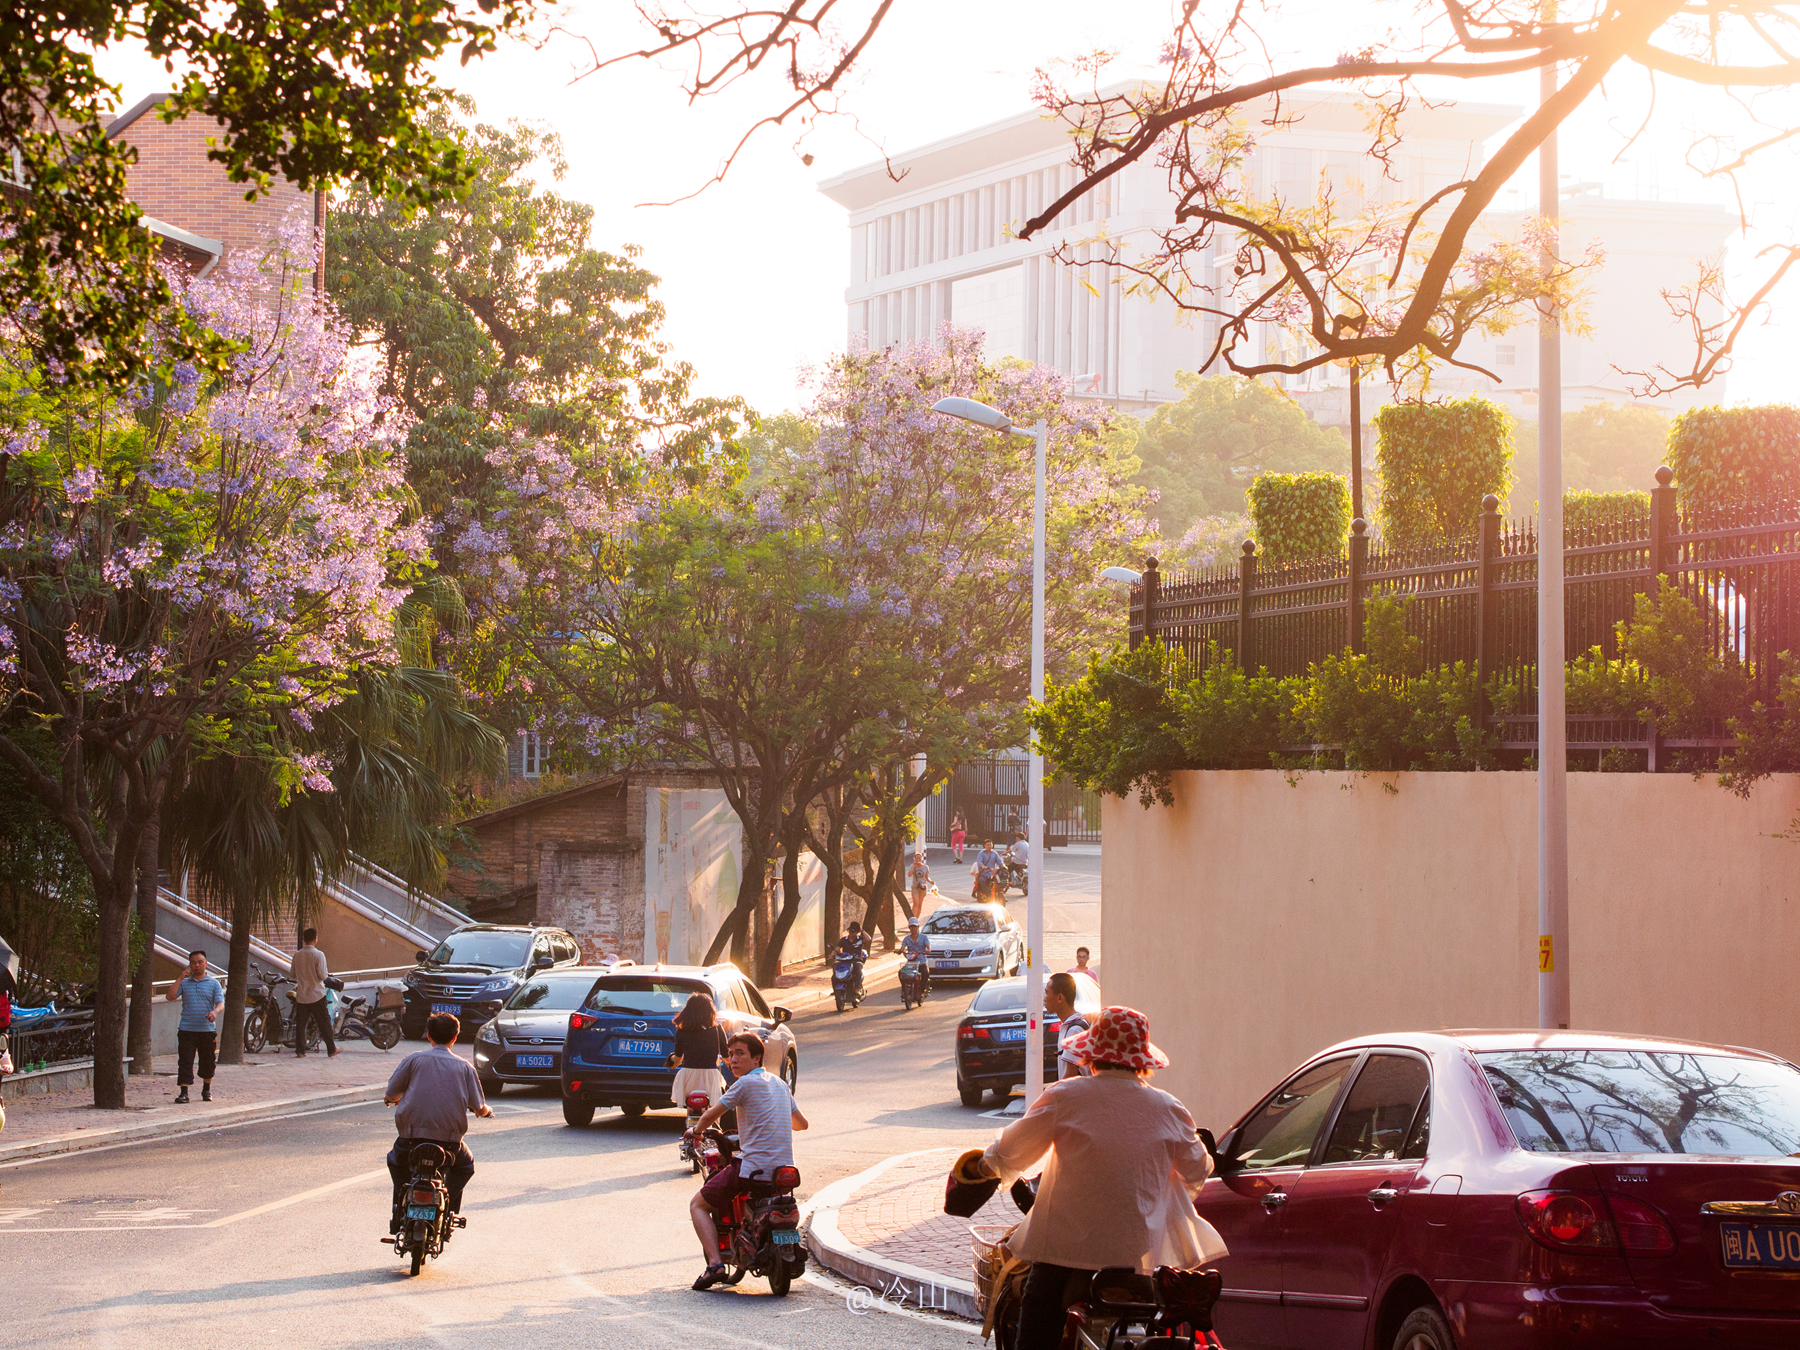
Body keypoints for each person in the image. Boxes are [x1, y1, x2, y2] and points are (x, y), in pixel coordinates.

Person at [971, 1006, 1224, 1350]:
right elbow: (1199, 1170)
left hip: (1062, 1250)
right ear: (1142, 1061)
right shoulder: (1169, 1107)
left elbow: (1011, 1152)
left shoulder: (1067, 1096)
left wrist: (982, 1169)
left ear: (1091, 1056)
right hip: (1136, 1256)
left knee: (1036, 1312)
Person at [687, 1031, 809, 1289]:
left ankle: (715, 1265)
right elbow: (801, 1124)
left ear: (757, 1058)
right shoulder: (780, 1084)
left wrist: (695, 1131)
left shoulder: (743, 1084)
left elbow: (710, 1116)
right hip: (784, 1171)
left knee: (698, 1204)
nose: (733, 1059)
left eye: (740, 1053)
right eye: (730, 1054)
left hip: (752, 1169)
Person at [383, 1012, 492, 1228]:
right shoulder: (464, 1068)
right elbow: (479, 1107)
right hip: (449, 1145)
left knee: (397, 1162)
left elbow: (392, 1092)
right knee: (465, 1166)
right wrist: (486, 1111)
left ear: (429, 1036)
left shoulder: (413, 1060)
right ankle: (448, 1210)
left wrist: (391, 1100)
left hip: (410, 1140)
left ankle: (400, 1210)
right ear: (455, 1037)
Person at [164, 949, 224, 1103]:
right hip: (187, 1029)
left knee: (208, 1060)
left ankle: (206, 1090)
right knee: (185, 1061)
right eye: (193, 963)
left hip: (206, 1030)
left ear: (206, 963)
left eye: (200, 962)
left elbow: (220, 1003)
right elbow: (170, 996)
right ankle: (184, 1092)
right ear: (189, 965)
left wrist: (215, 1012)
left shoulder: (213, 983)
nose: (197, 965)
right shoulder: (184, 983)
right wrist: (181, 977)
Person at [668, 992, 729, 1111]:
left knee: (691, 1108)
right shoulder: (717, 1030)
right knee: (712, 1110)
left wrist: (671, 1059)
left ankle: (690, 1126)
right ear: (710, 1011)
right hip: (710, 1076)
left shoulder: (682, 1030)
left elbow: (678, 1059)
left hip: (688, 1076)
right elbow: (726, 1057)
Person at [290, 927, 339, 1059]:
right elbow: (323, 975)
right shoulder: (319, 955)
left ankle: (300, 1050)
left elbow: (293, 973)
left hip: (302, 994)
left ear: (304, 939)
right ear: (315, 939)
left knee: (301, 1023)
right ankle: (331, 1048)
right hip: (317, 994)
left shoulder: (297, 955)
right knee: (324, 1021)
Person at [1044, 973, 1089, 1081]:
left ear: (1060, 998)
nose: (1044, 999)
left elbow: (1070, 1076)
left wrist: (1051, 1095)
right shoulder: (1070, 1026)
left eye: (1046, 993)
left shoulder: (1075, 1030)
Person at [900, 917, 932, 998]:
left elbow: (928, 947)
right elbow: (902, 949)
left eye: (914, 926)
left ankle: (921, 991)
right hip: (911, 963)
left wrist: (928, 950)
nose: (913, 929)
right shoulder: (906, 939)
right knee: (901, 973)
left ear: (918, 927)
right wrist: (899, 951)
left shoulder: (924, 937)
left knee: (925, 973)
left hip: (921, 962)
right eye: (911, 927)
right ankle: (905, 990)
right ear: (909, 928)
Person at [908, 849, 932, 917]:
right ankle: (913, 919)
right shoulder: (912, 866)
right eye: (916, 858)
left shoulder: (925, 867)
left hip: (923, 887)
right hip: (915, 886)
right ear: (914, 859)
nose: (918, 859)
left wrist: (931, 882)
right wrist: (913, 866)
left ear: (921, 859)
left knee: (919, 904)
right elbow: (909, 875)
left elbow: (927, 878)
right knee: (916, 903)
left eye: (919, 858)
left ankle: (916, 919)